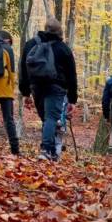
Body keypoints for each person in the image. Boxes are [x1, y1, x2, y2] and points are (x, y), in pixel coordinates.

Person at [19, 16, 78, 162]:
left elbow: (23, 69)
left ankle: (50, 151)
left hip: (36, 87)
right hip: (56, 88)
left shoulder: (30, 44)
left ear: (45, 29)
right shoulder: (63, 48)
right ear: (59, 32)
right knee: (51, 118)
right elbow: (72, 75)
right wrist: (72, 99)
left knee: (46, 119)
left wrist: (25, 92)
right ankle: (45, 150)